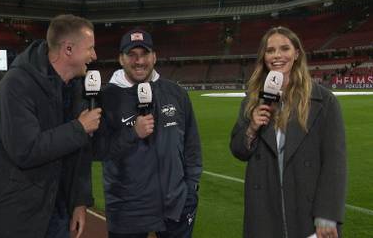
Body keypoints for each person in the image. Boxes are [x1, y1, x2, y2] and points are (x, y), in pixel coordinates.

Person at [0, 14, 101, 238]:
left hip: (57, 209)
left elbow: (79, 153)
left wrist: (79, 201)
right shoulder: (15, 85)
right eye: (90, 48)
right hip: (16, 214)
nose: (94, 56)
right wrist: (79, 128)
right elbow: (25, 150)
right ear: (68, 49)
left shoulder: (77, 86)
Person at [230, 26, 346, 238]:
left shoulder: (324, 101)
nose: (277, 56)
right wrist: (252, 128)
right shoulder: (252, 100)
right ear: (263, 56)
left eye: (284, 48)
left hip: (308, 213)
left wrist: (327, 215)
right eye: (270, 50)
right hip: (264, 211)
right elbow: (238, 150)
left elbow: (334, 162)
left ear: (296, 54)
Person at [94, 29, 202, 238]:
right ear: (121, 59)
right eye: (131, 55)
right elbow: (97, 150)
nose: (139, 61)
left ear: (154, 56)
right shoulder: (106, 98)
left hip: (176, 205)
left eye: (144, 54)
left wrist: (190, 189)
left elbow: (192, 145)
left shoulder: (176, 93)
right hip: (128, 210)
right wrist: (132, 133)